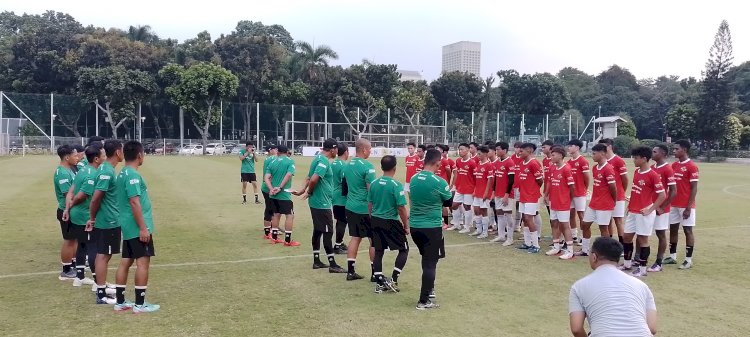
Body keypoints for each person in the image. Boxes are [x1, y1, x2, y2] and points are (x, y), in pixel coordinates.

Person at [569, 237, 658, 337]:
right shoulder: (642, 286)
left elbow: (576, 329)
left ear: (594, 257)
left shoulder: (579, 287)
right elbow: (652, 328)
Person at [112, 141, 160, 313]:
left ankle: (120, 302)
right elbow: (134, 202)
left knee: (126, 262)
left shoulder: (122, 173)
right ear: (140, 155)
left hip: (127, 225)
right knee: (142, 263)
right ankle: (139, 305)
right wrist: (143, 228)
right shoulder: (132, 175)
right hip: (136, 226)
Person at [293, 139, 346, 273]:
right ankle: (332, 264)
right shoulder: (323, 161)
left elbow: (308, 177)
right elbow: (314, 179)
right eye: (336, 150)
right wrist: (309, 191)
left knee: (318, 230)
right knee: (328, 231)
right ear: (333, 149)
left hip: (317, 202)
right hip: (321, 203)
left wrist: (302, 190)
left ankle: (317, 261)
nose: (337, 152)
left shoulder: (317, 158)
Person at [409, 149, 452, 310]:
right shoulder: (439, 182)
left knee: (426, 259)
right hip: (431, 228)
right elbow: (448, 202)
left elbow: (412, 198)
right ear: (437, 163)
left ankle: (429, 289)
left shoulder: (413, 178)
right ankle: (423, 301)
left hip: (415, 227)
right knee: (430, 264)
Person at [87, 139, 124, 304]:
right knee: (103, 256)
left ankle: (101, 289)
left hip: (108, 219)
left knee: (104, 255)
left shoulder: (105, 169)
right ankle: (101, 294)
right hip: (108, 220)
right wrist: (92, 218)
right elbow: (95, 199)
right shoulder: (106, 171)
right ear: (117, 152)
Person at [621, 146, 665, 277]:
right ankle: (627, 264)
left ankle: (642, 268)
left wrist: (650, 209)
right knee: (627, 237)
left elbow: (662, 195)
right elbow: (636, 190)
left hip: (643, 213)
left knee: (642, 240)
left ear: (644, 159)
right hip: (633, 210)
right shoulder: (637, 172)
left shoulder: (653, 175)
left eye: (636, 158)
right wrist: (630, 205)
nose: (633, 160)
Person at [66, 143, 105, 288]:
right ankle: (98, 282)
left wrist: (69, 206)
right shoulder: (92, 174)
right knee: (92, 247)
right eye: (103, 155)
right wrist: (72, 203)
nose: (105, 157)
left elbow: (72, 188)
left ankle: (80, 277)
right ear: (96, 159)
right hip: (84, 216)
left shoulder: (83, 170)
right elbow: (82, 194)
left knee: (82, 245)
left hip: (77, 215)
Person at [368, 155, 410, 293]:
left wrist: (372, 218)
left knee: (378, 251)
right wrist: (406, 225)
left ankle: (379, 283)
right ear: (395, 168)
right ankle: (394, 279)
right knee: (404, 249)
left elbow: (370, 203)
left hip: (375, 219)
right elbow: (401, 208)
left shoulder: (374, 183)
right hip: (390, 221)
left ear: (381, 167)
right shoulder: (396, 185)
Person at [343, 138, 377, 281]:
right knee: (374, 240)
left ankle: (350, 272)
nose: (370, 152)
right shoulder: (368, 166)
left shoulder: (348, 164)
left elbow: (345, 186)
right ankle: (375, 274)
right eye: (369, 149)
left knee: (355, 238)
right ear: (364, 149)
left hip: (350, 206)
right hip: (365, 209)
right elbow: (372, 191)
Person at [576, 144, 617, 257]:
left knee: (603, 228)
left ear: (603, 153)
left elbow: (613, 187)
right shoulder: (595, 168)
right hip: (594, 203)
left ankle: (606, 253)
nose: (592, 156)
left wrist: (613, 201)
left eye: (594, 153)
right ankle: (585, 250)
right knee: (585, 225)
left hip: (604, 204)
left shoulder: (608, 168)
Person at [665, 139, 699, 269]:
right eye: (673, 149)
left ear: (684, 150)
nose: (674, 151)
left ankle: (688, 260)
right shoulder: (674, 166)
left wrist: (689, 207)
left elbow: (694, 188)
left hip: (686, 205)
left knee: (687, 230)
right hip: (673, 204)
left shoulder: (691, 166)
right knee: (673, 229)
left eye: (676, 149)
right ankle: (672, 257)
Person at [648, 144, 677, 272]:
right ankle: (638, 258)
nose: (652, 153)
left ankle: (659, 262)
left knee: (660, 234)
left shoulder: (667, 169)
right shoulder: (651, 168)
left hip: (660, 209)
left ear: (663, 154)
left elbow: (673, 191)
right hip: (649, 206)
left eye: (655, 152)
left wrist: (663, 207)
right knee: (642, 233)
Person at [544, 146, 576, 259]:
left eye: (553, 155)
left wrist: (569, 199)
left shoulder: (566, 169)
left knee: (564, 225)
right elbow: (549, 181)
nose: (551, 157)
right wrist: (546, 194)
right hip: (554, 201)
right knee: (554, 223)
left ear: (560, 156)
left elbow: (572, 187)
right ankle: (556, 247)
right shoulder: (552, 167)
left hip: (563, 202)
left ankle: (570, 250)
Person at [264, 145, 299, 246]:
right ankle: (288, 241)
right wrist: (279, 187)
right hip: (284, 194)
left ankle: (274, 238)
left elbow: (266, 178)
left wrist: (271, 189)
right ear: (286, 151)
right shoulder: (290, 161)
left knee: (275, 214)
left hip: (273, 194)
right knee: (290, 215)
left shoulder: (272, 162)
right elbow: (288, 175)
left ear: (278, 152)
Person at [53, 144, 79, 281]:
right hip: (66, 211)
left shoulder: (69, 170)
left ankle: (73, 265)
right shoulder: (62, 172)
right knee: (69, 240)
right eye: (75, 155)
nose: (77, 158)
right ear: (67, 157)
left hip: (71, 210)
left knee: (74, 239)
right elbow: (67, 194)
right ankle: (66, 270)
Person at [598, 138, 629, 245]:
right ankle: (610, 244)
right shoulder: (602, 161)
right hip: (606, 197)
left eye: (603, 146)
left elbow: (625, 179)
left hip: (618, 196)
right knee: (607, 222)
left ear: (610, 147)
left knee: (618, 221)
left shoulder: (618, 160)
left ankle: (622, 245)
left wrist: (621, 192)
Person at [515, 143, 544, 253]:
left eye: (522, 151)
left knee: (529, 218)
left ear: (529, 151)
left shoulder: (534, 163)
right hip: (523, 195)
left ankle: (536, 245)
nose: (519, 152)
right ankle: (527, 243)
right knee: (525, 219)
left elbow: (540, 180)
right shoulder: (522, 163)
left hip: (531, 196)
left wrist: (533, 190)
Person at [491, 142, 516, 245]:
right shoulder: (497, 162)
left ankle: (510, 238)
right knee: (499, 213)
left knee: (508, 215)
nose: (496, 151)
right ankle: (501, 235)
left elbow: (511, 180)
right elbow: (496, 178)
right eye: (496, 149)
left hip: (507, 194)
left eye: (498, 149)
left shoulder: (510, 162)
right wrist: (493, 192)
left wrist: (506, 194)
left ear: (505, 150)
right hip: (498, 192)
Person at [567, 139, 590, 244]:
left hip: (580, 193)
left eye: (570, 146)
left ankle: (582, 236)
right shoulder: (568, 162)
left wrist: (584, 189)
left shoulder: (583, 161)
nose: (568, 148)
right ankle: (574, 234)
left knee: (581, 215)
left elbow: (587, 178)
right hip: (570, 193)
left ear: (577, 148)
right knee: (571, 214)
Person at [451, 143, 477, 234]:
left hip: (469, 188)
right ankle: (456, 224)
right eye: (459, 149)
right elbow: (457, 174)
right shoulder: (458, 161)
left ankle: (467, 226)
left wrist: (475, 189)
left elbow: (475, 177)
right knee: (454, 205)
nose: (460, 151)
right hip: (460, 188)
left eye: (462, 149)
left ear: (467, 150)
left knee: (467, 207)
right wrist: (456, 184)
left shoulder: (472, 163)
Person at [470, 146, 494, 238]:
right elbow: (477, 179)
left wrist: (486, 193)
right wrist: (475, 191)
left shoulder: (489, 165)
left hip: (484, 193)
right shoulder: (479, 164)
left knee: (484, 211)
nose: (478, 156)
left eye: (479, 154)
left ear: (485, 154)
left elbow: (490, 180)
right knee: (476, 210)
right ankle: (478, 230)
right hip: (477, 192)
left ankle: (485, 232)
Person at [331, 143, 350, 254]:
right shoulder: (343, 165)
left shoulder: (333, 163)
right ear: (346, 152)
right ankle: (338, 246)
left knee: (340, 220)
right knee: (342, 221)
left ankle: (340, 242)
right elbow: (345, 182)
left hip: (334, 195)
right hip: (341, 197)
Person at [260, 145, 279, 239]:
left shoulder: (269, 159)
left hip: (268, 187)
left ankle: (271, 228)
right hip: (268, 187)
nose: (276, 151)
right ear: (270, 150)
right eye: (275, 149)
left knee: (272, 208)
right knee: (270, 208)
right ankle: (268, 231)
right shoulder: (272, 159)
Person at [436, 144, 456, 228]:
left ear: (442, 151)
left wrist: (448, 182)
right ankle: (440, 220)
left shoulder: (444, 160)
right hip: (435, 184)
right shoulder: (435, 160)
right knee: (438, 203)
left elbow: (449, 172)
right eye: (436, 148)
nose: (437, 150)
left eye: (438, 149)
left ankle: (446, 222)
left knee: (445, 204)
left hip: (443, 185)